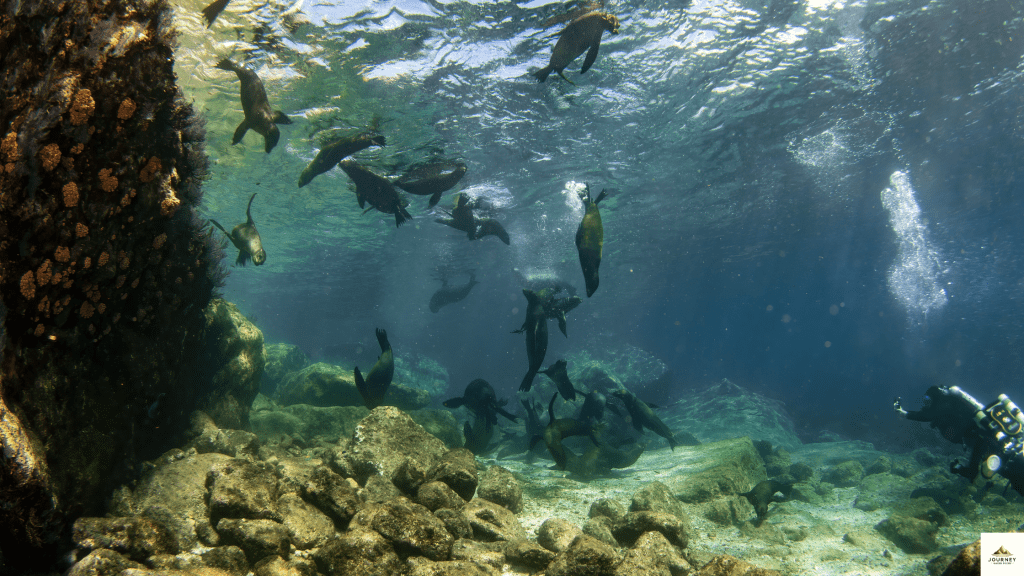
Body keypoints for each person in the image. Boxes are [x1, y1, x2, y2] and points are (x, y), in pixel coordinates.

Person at [895, 385, 1024, 498]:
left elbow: (926, 415)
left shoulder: (942, 405)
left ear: (933, 398)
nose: (926, 404)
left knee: (998, 470)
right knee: (1006, 461)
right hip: (995, 433)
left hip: (982, 438)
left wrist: (903, 413)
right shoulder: (956, 401)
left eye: (927, 400)